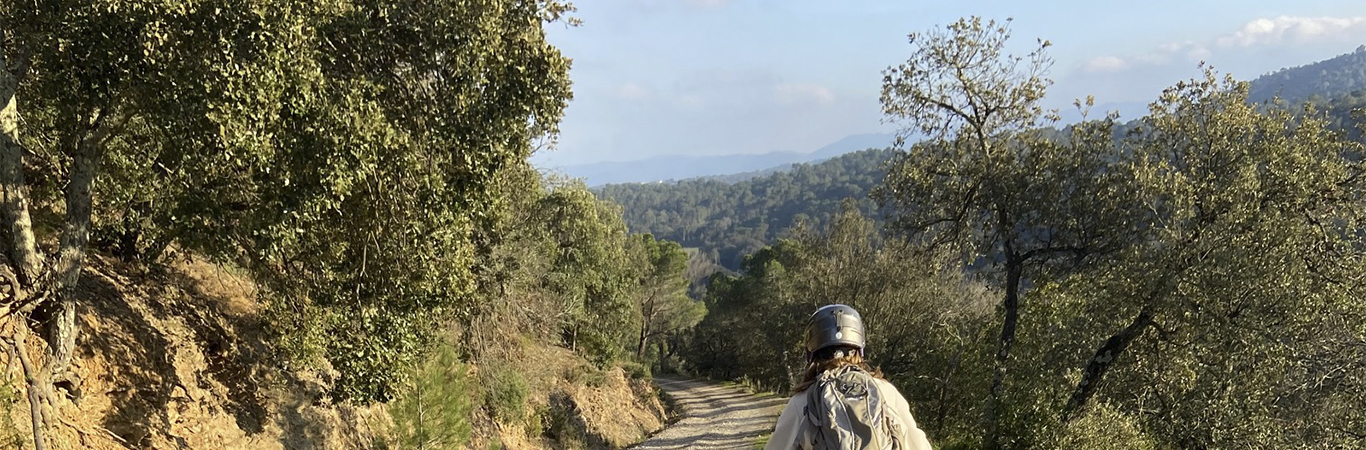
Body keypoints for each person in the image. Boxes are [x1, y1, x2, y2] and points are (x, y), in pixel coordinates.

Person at [764, 304, 933, 450]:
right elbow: (918, 444)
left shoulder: (802, 401)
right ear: (859, 347)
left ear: (811, 352)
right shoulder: (886, 392)